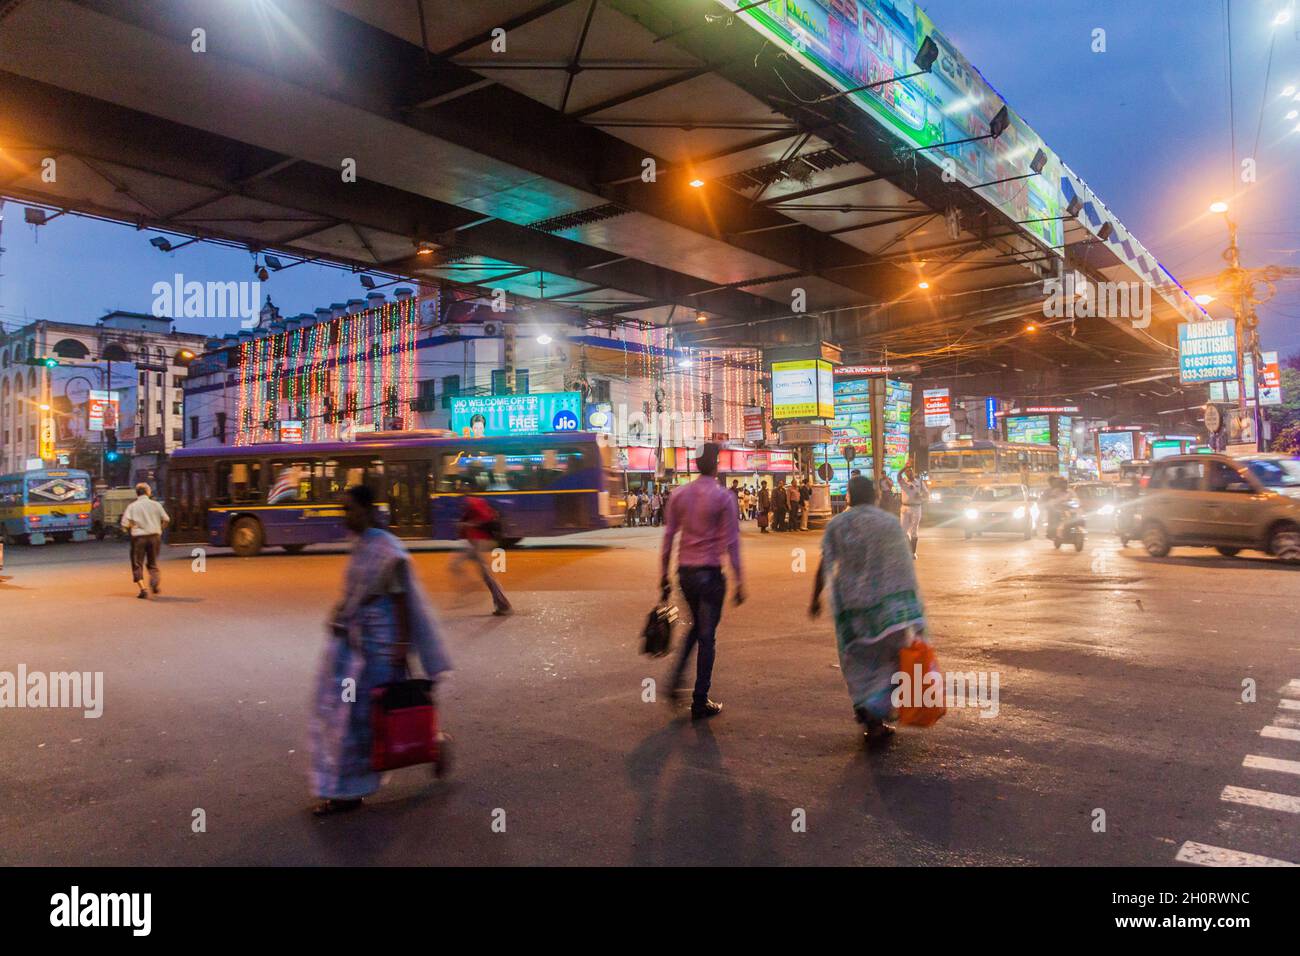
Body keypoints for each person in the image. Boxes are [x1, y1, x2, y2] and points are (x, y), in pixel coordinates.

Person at [309, 484, 452, 815]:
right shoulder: (363, 546)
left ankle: (349, 792)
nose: (345, 517)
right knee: (361, 719)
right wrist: (342, 615)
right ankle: (432, 745)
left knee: (366, 718)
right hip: (359, 647)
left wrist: (401, 645)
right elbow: (358, 592)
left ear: (368, 510)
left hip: (383, 648)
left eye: (350, 510)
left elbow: (401, 599)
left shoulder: (387, 550)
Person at [809, 476, 928, 744]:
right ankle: (878, 713)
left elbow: (825, 563)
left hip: (853, 610)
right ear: (875, 496)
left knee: (859, 662)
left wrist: (815, 598)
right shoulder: (887, 523)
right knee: (889, 661)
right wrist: (913, 604)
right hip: (888, 610)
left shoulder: (838, 525)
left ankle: (870, 715)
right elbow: (903, 566)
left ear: (849, 496)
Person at [660, 442, 744, 719]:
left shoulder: (679, 495)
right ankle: (700, 698)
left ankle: (676, 680)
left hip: (685, 574)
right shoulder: (723, 498)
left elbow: (669, 536)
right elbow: (732, 542)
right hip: (709, 575)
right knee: (707, 636)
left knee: (698, 628)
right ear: (716, 463)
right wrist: (740, 580)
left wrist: (663, 575)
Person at [450, 494, 512, 615]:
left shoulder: (472, 502)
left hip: (479, 541)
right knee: (456, 565)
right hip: (474, 542)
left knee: (485, 574)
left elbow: (485, 518)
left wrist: (466, 525)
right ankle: (499, 602)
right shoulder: (468, 504)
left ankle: (502, 604)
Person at [120, 481, 169, 599]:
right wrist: (160, 528)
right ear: (148, 492)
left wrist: (128, 532)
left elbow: (124, 524)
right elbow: (166, 519)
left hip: (138, 538)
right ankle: (154, 582)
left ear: (137, 493)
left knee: (137, 564)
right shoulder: (156, 505)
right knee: (152, 563)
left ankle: (143, 589)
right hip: (155, 537)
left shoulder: (132, 506)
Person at [897, 464, 928, 557]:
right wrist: (904, 467)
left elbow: (927, 494)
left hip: (916, 508)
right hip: (905, 508)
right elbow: (898, 475)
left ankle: (913, 552)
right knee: (903, 530)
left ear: (913, 472)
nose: (909, 473)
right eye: (907, 471)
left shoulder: (919, 481)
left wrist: (921, 497)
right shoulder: (903, 482)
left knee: (914, 530)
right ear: (905, 473)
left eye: (910, 471)